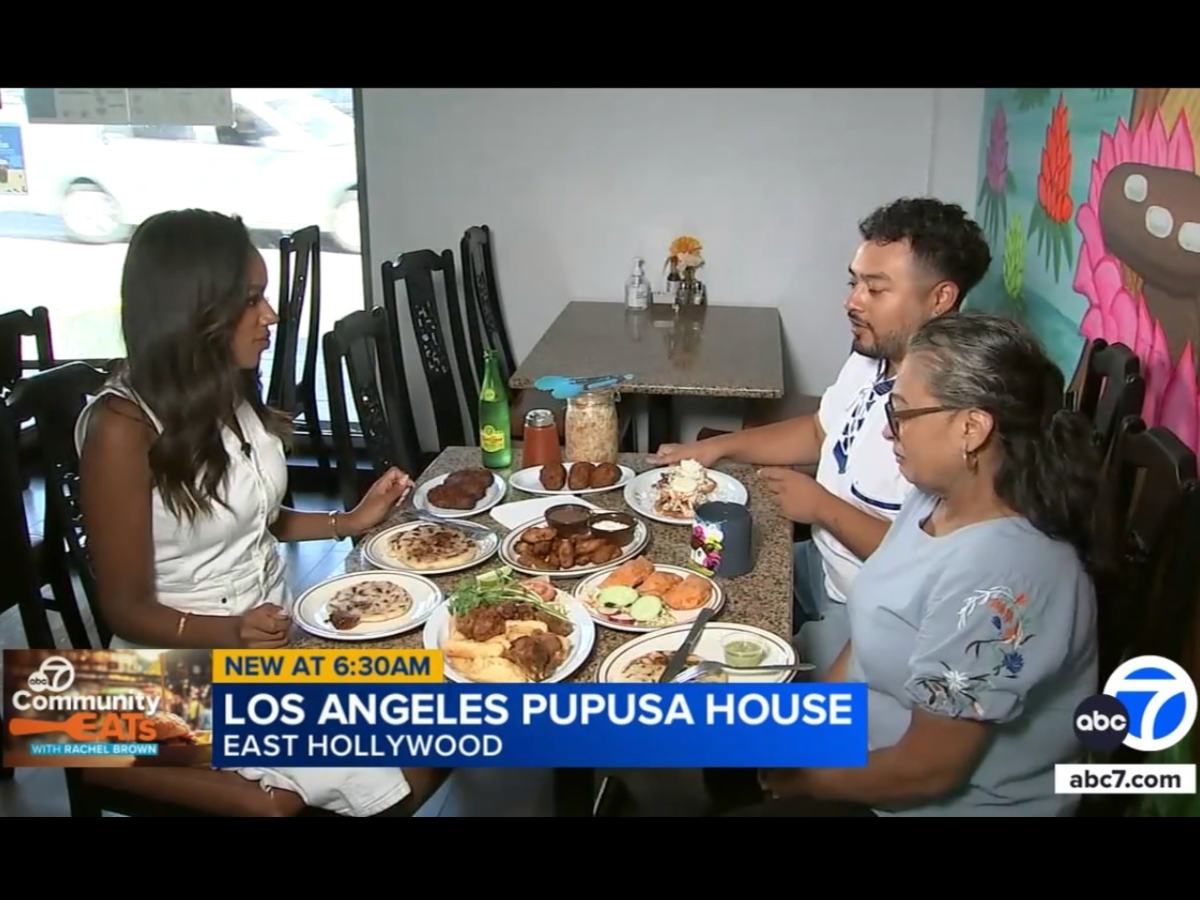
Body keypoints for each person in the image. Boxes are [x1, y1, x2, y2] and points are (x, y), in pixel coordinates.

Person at [77, 208, 438, 817]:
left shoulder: (225, 387)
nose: (270, 315)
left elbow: (251, 516)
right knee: (393, 763)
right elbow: (125, 608)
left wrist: (348, 522)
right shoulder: (120, 429)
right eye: (251, 300)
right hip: (164, 673)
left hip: (266, 642)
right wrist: (230, 634)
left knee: (443, 702)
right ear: (195, 313)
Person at [742, 313, 1102, 816]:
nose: (890, 432)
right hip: (865, 749)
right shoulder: (935, 498)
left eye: (902, 414)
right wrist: (806, 726)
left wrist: (801, 777)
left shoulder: (1005, 580)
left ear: (971, 428)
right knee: (647, 728)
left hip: (925, 801)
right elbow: (875, 625)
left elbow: (927, 770)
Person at [653, 197, 992, 674]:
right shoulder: (875, 353)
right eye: (855, 283)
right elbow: (819, 429)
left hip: (869, 608)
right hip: (818, 560)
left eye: (876, 290)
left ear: (940, 298)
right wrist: (716, 446)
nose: (852, 302)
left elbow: (934, 567)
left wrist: (821, 507)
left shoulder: (949, 416)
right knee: (675, 598)